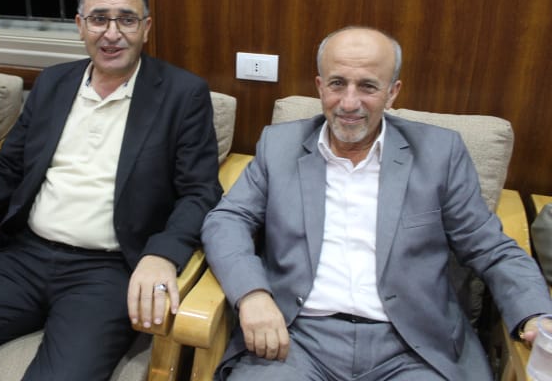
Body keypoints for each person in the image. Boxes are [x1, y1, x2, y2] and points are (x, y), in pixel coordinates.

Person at [0, 0, 222, 380]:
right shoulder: (54, 82)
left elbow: (200, 192)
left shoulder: (182, 94)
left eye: (126, 19)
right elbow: (7, 167)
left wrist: (162, 254)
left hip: (108, 271)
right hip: (23, 258)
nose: (112, 33)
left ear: (146, 28)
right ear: (80, 25)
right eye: (99, 19)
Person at [201, 26, 552, 380]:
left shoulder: (439, 153)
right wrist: (253, 294)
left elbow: (490, 247)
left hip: (412, 348)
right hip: (296, 340)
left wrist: (536, 315)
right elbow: (227, 220)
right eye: (337, 84)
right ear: (320, 86)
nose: (349, 103)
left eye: (367, 86)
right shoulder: (280, 146)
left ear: (392, 92)